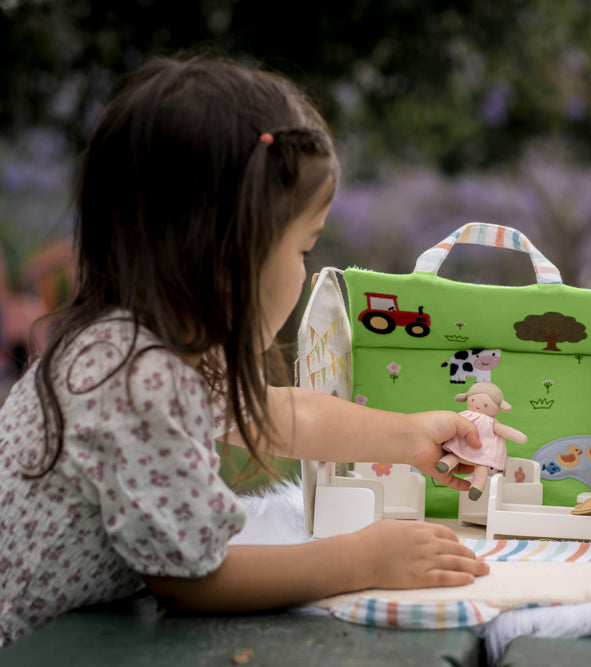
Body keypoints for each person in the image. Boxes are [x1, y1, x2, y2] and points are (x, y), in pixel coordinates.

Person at [0, 54, 489, 649]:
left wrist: (409, 437)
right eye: (303, 247)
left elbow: (280, 415)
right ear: (227, 253)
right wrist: (364, 558)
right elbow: (196, 581)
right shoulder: (134, 375)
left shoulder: (143, 346)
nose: (305, 271)